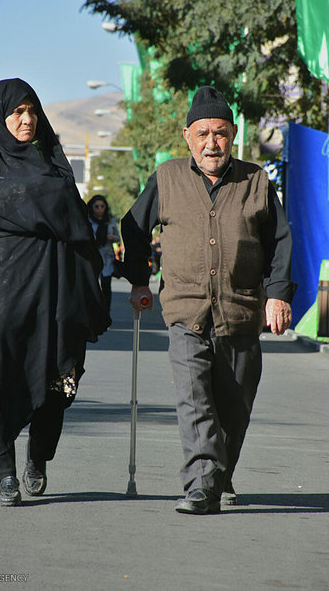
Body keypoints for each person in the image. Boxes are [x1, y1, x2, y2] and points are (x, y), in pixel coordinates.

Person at [121, 86, 295, 515]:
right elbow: (134, 229)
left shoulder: (255, 181)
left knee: (234, 407)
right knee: (195, 399)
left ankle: (219, 474)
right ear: (187, 136)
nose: (211, 143)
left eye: (219, 133)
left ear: (232, 134)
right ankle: (201, 484)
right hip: (185, 310)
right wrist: (141, 280)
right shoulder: (167, 178)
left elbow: (280, 242)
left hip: (240, 312)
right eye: (202, 134)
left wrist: (277, 296)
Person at [0, 78, 110, 507]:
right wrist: (47, 200)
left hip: (54, 290)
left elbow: (74, 215)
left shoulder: (52, 158)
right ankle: (2, 470)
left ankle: (38, 459)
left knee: (54, 371)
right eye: (17, 113)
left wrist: (43, 200)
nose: (27, 121)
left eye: (33, 111)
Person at [87, 195, 120, 313]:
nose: (99, 209)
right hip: (92, 256)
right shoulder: (88, 221)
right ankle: (93, 312)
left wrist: (112, 238)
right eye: (96, 206)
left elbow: (118, 238)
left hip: (107, 257)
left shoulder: (110, 221)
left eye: (102, 206)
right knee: (92, 286)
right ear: (92, 207)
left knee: (106, 285)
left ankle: (106, 312)